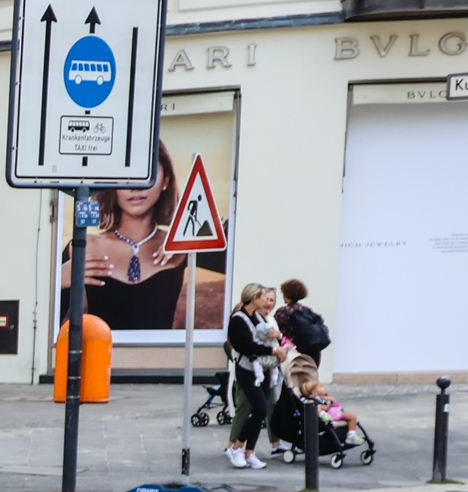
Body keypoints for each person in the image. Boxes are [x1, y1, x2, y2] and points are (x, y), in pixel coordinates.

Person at [62, 143, 220, 331]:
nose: (135, 187)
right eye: (125, 176)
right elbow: (45, 331)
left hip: (162, 359)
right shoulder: (83, 247)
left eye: (146, 174)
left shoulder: (181, 246)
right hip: (100, 357)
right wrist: (58, 281)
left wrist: (187, 235)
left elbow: (240, 259)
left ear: (165, 181)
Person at [225, 282, 288, 470]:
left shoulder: (258, 317)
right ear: (254, 298)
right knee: (260, 409)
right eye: (264, 297)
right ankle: (236, 447)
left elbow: (267, 337)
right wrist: (273, 349)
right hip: (247, 370)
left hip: (264, 369)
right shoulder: (239, 319)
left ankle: (249, 452)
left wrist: (277, 341)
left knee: (261, 412)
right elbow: (246, 346)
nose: (267, 302)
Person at [274, 278, 331, 366]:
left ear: (286, 295)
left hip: (293, 353)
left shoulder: (283, 312)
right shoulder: (307, 311)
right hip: (313, 353)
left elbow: (276, 330)